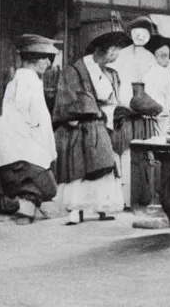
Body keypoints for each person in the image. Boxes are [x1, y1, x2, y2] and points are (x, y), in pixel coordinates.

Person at [52, 31, 132, 225]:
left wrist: (116, 111)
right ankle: (75, 211)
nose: (115, 56)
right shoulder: (74, 70)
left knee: (104, 167)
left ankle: (101, 208)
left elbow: (114, 98)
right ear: (103, 50)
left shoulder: (111, 73)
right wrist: (93, 110)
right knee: (80, 170)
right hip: (80, 127)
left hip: (103, 126)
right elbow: (67, 101)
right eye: (114, 51)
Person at [0, 35, 60, 224]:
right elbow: (23, 109)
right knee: (49, 189)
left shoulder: (26, 79)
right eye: (44, 57)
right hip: (22, 148)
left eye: (49, 59)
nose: (47, 62)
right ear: (32, 58)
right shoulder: (26, 78)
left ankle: (25, 206)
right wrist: (36, 132)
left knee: (46, 187)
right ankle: (15, 204)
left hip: (21, 146)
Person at [109, 16, 158, 107]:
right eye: (136, 33)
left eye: (144, 34)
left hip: (144, 99)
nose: (140, 37)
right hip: (122, 97)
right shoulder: (121, 54)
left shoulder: (150, 57)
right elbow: (112, 76)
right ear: (130, 34)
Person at [139, 35, 170, 136]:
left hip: (165, 114)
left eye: (167, 56)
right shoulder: (151, 72)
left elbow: (169, 95)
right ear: (153, 56)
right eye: (162, 56)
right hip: (157, 114)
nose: (165, 59)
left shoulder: (167, 72)